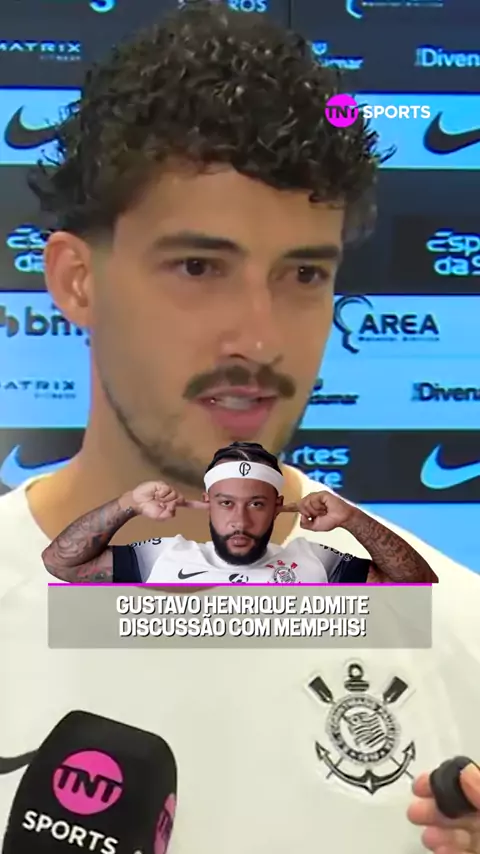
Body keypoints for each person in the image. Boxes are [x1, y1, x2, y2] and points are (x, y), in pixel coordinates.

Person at [0, 3, 479, 854]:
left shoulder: (455, 638)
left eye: (303, 274)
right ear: (77, 281)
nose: (259, 340)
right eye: (199, 267)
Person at [42, 442, 435, 584]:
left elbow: (414, 584)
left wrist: (352, 518)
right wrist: (127, 503)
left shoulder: (313, 563)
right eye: (226, 503)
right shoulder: (162, 557)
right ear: (207, 503)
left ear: (279, 507)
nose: (240, 522)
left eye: (257, 504)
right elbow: (63, 564)